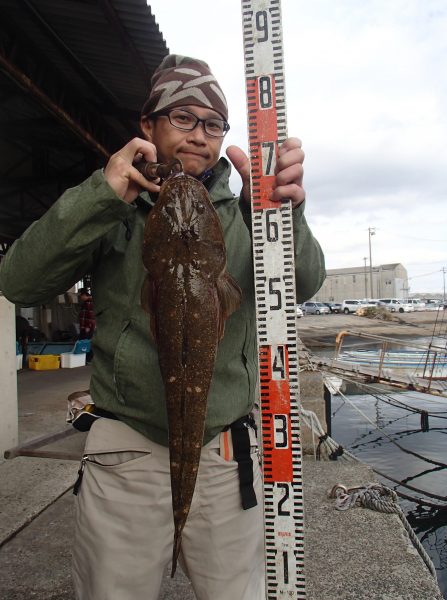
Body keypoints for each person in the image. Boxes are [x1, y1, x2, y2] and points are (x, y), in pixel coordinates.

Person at [0, 55, 325, 600]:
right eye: (183, 118)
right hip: (127, 450)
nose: (200, 136)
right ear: (147, 126)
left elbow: (307, 283)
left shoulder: (250, 206)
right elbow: (19, 281)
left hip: (226, 452)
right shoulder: (113, 205)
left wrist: (279, 214)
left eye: (214, 124)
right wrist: (98, 199)